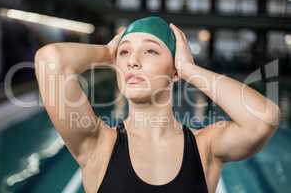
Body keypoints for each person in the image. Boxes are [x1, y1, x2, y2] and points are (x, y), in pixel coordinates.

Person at [34, 16, 281, 193]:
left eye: (150, 51)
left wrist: (188, 69)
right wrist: (108, 53)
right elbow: (50, 60)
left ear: (174, 70)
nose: (133, 61)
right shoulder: (98, 145)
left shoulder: (206, 147)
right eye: (125, 52)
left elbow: (264, 118)